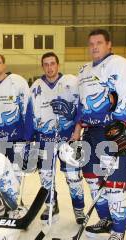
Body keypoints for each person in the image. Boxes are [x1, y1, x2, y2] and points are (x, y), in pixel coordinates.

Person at [75, 29, 126, 240]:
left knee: (114, 184)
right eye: (91, 43)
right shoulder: (83, 70)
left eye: (99, 43)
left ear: (109, 44)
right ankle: (105, 219)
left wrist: (120, 125)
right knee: (93, 179)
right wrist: (78, 128)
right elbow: (82, 105)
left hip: (111, 132)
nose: (94, 46)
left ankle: (118, 230)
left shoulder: (118, 64)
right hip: (91, 134)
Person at [28, 52, 85, 224]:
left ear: (58, 65)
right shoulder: (36, 86)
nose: (49, 67)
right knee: (46, 176)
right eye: (46, 64)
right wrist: (30, 137)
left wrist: (77, 131)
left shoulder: (71, 82)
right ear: (42, 66)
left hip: (70, 139)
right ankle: (51, 205)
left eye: (52, 63)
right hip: (45, 140)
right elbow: (30, 114)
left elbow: (81, 107)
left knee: (74, 177)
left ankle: (79, 209)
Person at [0, 54, 33, 180]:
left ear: (4, 65)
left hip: (17, 138)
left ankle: (15, 199)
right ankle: (2, 200)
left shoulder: (18, 81)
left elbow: (27, 110)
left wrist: (28, 136)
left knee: (17, 173)